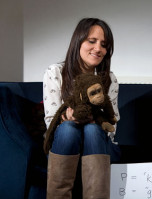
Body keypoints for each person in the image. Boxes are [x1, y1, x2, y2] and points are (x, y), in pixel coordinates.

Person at [43, 18, 120, 199]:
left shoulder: (110, 78)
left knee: (93, 129)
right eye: (91, 41)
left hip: (99, 143)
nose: (98, 48)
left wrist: (96, 121)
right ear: (78, 41)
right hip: (64, 143)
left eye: (103, 44)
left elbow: (112, 124)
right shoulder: (55, 72)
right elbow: (50, 122)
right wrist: (67, 119)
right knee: (68, 128)